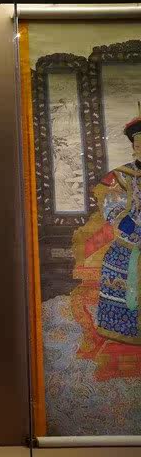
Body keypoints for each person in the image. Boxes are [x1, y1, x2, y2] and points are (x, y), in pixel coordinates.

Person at [96, 112, 141, 344]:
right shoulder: (122, 175)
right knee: (116, 265)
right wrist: (129, 225)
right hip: (130, 239)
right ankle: (122, 328)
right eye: (139, 143)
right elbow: (109, 203)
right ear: (133, 146)